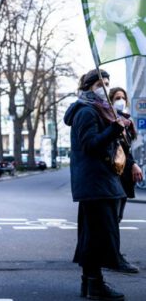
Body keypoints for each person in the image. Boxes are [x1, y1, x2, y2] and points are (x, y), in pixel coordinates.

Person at [64, 69, 126, 300]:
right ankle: (95, 286)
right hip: (95, 182)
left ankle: (90, 284)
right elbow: (90, 145)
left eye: (108, 83)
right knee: (98, 236)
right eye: (101, 83)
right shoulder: (87, 112)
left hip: (98, 183)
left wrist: (116, 128)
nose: (106, 88)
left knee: (94, 236)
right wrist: (114, 129)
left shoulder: (97, 109)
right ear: (89, 86)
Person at [107, 87, 143, 274]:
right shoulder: (111, 120)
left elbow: (125, 150)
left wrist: (133, 163)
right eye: (116, 98)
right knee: (112, 218)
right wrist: (134, 164)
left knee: (117, 217)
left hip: (123, 174)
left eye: (123, 98)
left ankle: (112, 254)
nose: (120, 101)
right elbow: (115, 150)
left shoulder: (127, 122)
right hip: (114, 175)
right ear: (110, 100)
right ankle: (114, 256)